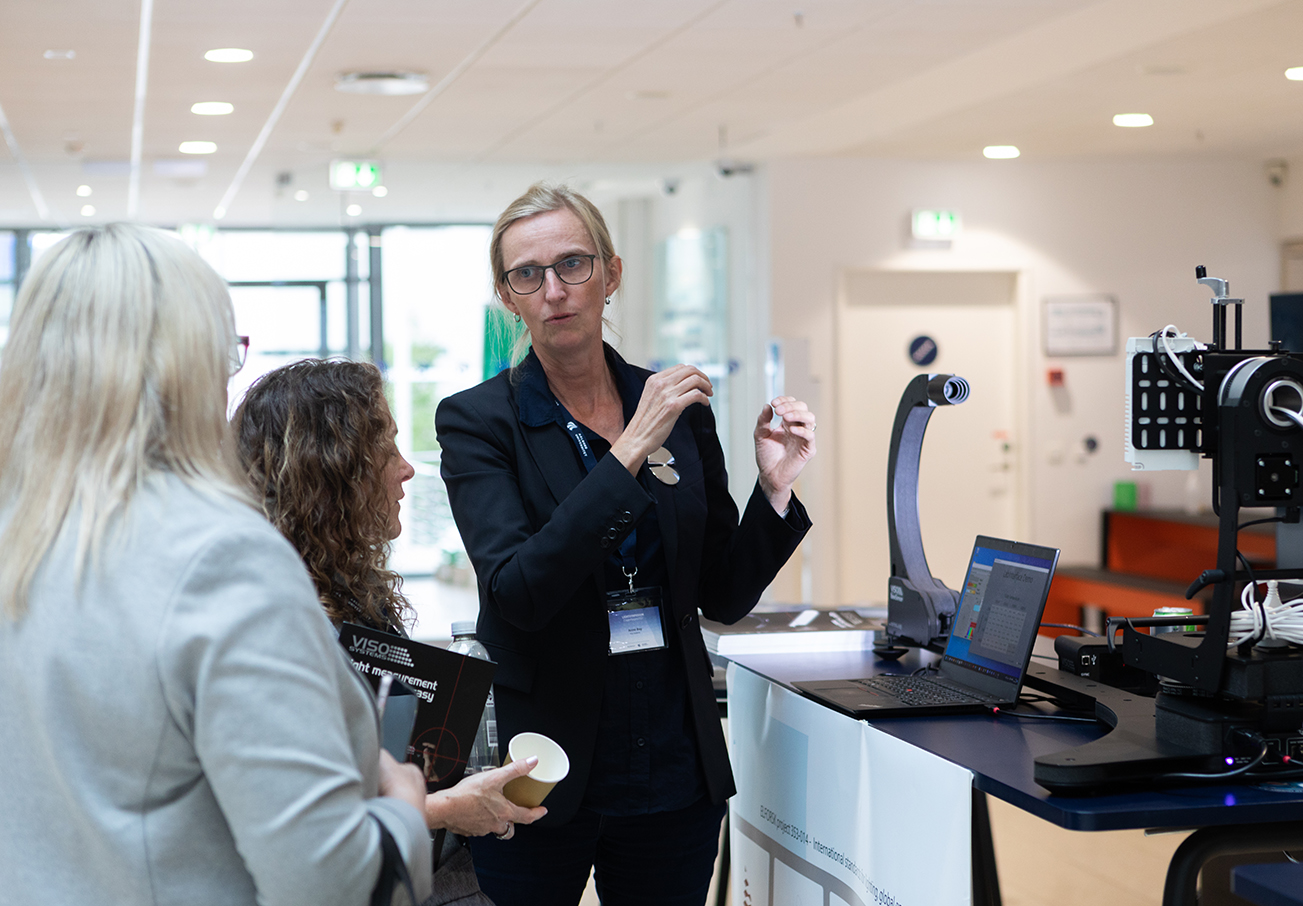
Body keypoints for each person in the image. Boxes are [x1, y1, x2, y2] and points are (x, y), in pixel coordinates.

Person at [0, 224, 431, 905]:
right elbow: (327, 880)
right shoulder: (220, 558)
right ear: (188, 368)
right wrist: (404, 809)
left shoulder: (23, 540)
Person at [435, 183, 816, 905]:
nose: (554, 290)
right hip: (538, 766)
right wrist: (629, 449)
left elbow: (722, 595)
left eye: (572, 264)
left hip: (670, 760)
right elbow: (518, 591)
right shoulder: (479, 422)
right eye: (528, 274)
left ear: (610, 274)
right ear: (506, 295)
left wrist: (773, 489)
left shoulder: (676, 408)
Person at [231, 359, 547, 906]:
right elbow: (295, 814)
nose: (407, 469)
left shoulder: (353, 594)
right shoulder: (274, 624)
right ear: (335, 474)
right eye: (387, 449)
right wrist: (447, 809)